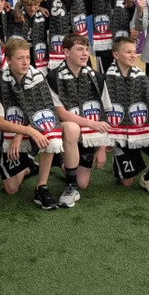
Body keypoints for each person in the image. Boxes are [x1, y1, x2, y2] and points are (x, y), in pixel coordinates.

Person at [0, 37, 72, 210]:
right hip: (10, 133)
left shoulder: (38, 77)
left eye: (27, 57)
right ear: (8, 60)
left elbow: (46, 113)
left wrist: (24, 133)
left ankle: (41, 187)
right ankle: (30, 165)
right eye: (20, 58)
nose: (25, 62)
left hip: (31, 129)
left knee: (49, 132)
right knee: (11, 189)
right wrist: (26, 131)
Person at [103, 36, 149, 197]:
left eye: (134, 52)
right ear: (116, 55)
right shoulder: (105, 79)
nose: (133, 55)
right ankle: (121, 154)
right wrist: (103, 143)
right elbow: (101, 113)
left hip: (142, 127)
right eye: (128, 52)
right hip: (120, 134)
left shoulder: (141, 76)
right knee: (127, 182)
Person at [46, 34, 112, 206]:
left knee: (83, 183)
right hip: (65, 129)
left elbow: (106, 113)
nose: (85, 54)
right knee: (72, 128)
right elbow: (61, 113)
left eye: (87, 49)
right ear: (66, 52)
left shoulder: (97, 77)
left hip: (89, 136)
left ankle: (59, 160)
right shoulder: (53, 77)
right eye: (80, 49)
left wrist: (101, 148)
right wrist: (91, 123)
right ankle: (70, 187)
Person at [90, 0, 136, 73]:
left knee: (124, 77)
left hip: (123, 47)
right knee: (104, 78)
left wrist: (133, 33)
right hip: (103, 50)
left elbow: (134, 22)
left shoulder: (127, 0)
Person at [7, 0, 49, 72]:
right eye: (29, 5)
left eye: (35, 4)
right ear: (24, 3)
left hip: (39, 53)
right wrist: (17, 7)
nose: (32, 8)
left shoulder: (44, 14)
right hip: (20, 53)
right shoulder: (15, 15)